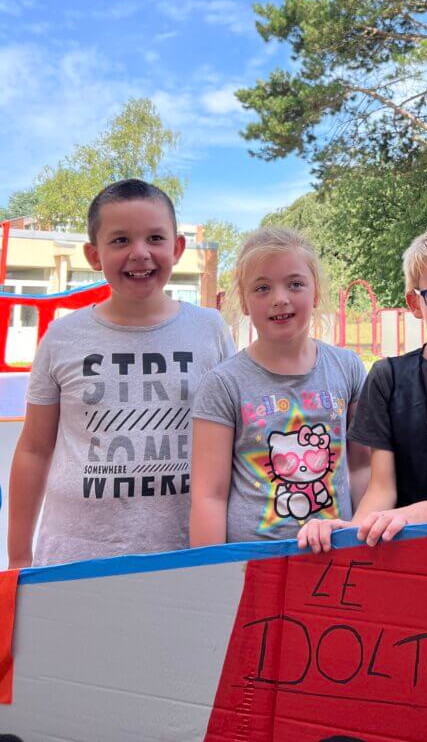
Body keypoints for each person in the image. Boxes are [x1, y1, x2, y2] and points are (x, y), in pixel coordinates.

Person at [7, 179, 235, 568]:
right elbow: (34, 449)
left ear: (177, 248)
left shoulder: (209, 329)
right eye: (120, 240)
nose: (140, 253)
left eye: (155, 238)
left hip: (186, 554)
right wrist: (17, 559)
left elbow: (236, 440)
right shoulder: (62, 337)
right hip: (75, 555)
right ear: (94, 255)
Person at [299, 224, 427, 554]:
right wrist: (353, 532)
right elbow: (382, 489)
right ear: (414, 303)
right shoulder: (387, 378)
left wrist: (413, 515)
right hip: (407, 554)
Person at [189, 227, 368, 546]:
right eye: (262, 288)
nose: (280, 299)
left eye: (295, 284)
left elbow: (362, 468)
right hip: (251, 563)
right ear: (244, 302)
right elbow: (209, 496)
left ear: (315, 292)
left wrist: (364, 544)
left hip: (336, 556)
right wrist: (211, 571)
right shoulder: (223, 383)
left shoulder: (348, 368)